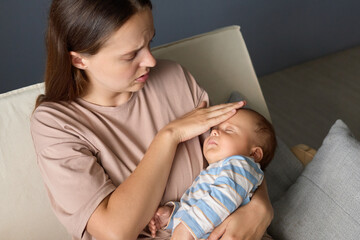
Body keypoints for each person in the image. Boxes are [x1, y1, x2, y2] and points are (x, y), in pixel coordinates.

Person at [30, 0, 273, 239]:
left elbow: (238, 160)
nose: (151, 61)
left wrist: (260, 208)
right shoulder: (55, 124)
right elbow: (116, 232)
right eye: (131, 55)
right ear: (79, 60)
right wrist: (169, 136)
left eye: (149, 42)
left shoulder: (174, 78)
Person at [148, 109, 277, 240]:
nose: (214, 131)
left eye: (229, 130)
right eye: (215, 128)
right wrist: (172, 215)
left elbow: (223, 198)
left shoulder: (241, 165)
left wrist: (186, 229)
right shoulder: (214, 172)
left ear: (254, 154)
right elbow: (203, 206)